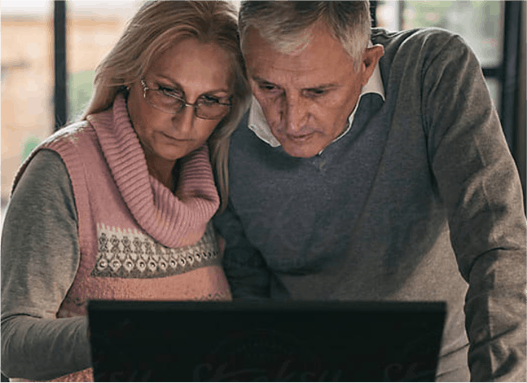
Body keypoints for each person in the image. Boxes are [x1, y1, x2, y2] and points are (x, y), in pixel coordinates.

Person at [213, 1, 527, 382]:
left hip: (443, 366)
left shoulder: (433, 69)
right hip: (299, 364)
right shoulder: (221, 108)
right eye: (268, 87)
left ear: (366, 64)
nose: (291, 120)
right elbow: (246, 279)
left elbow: (496, 242)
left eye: (318, 91)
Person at [0, 1, 250, 381]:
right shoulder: (64, 171)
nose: (186, 123)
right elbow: (10, 343)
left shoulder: (218, 176)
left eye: (211, 100)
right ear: (128, 75)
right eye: (167, 91)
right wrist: (135, 331)